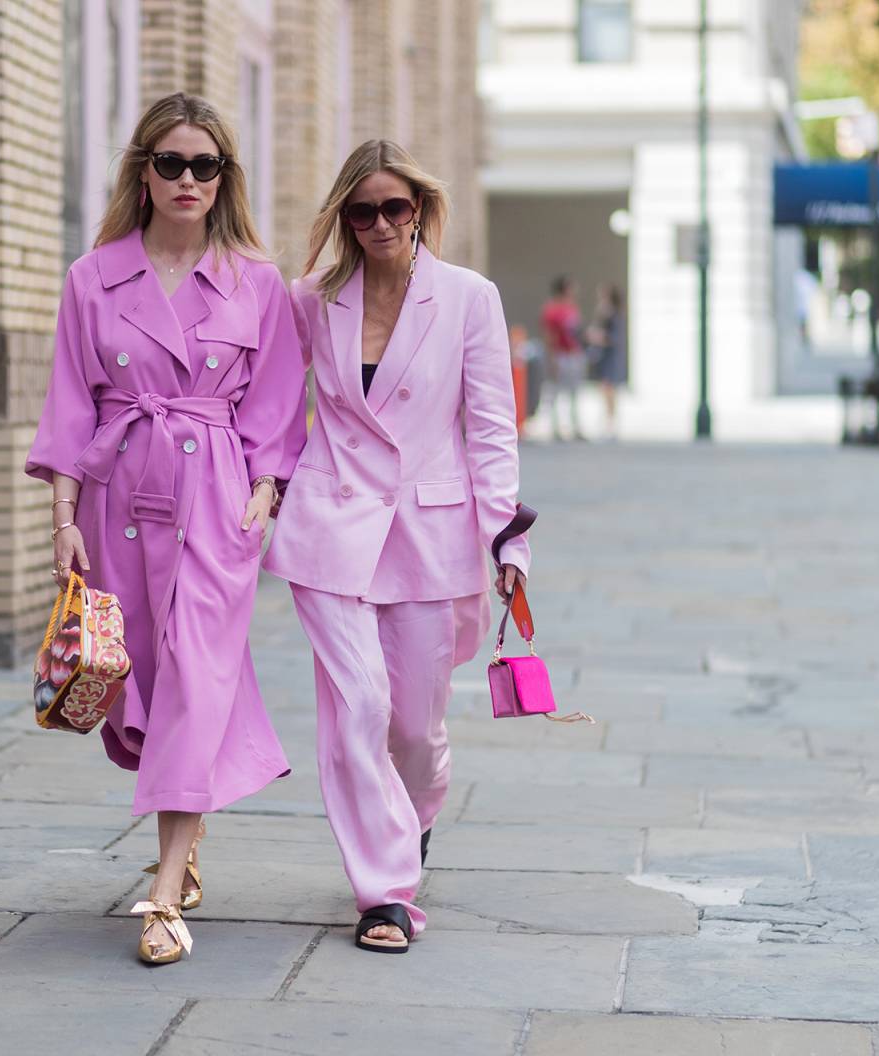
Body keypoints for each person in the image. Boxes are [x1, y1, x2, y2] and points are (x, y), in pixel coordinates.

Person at [25, 92, 306, 965]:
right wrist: (63, 518)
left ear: (225, 180)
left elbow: (278, 407)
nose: (190, 180)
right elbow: (72, 404)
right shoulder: (92, 277)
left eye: (207, 166)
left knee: (198, 675)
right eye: (173, 163)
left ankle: (161, 894)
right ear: (144, 174)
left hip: (217, 500)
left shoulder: (257, 283)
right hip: (119, 499)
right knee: (138, 681)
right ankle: (181, 851)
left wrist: (265, 491)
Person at [264, 140, 531, 954]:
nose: (380, 223)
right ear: (344, 217)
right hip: (330, 528)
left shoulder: (467, 298)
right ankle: (383, 894)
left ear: (420, 209)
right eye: (362, 210)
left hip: (430, 531)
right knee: (358, 712)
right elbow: (277, 408)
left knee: (414, 727)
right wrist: (262, 491)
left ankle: (408, 824)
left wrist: (507, 539)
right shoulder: (313, 298)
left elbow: (489, 428)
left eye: (395, 208)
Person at [539, 275, 586, 440]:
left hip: (574, 354)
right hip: (560, 355)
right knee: (556, 391)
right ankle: (555, 427)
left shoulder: (572, 308)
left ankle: (576, 426)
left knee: (575, 392)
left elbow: (577, 332)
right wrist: (552, 357)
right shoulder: (552, 310)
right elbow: (549, 335)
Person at [584, 282, 626, 440]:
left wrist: (597, 337)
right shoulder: (605, 314)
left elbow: (613, 338)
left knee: (610, 392)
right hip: (605, 359)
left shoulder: (614, 316)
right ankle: (608, 423)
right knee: (606, 392)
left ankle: (611, 425)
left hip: (611, 359)